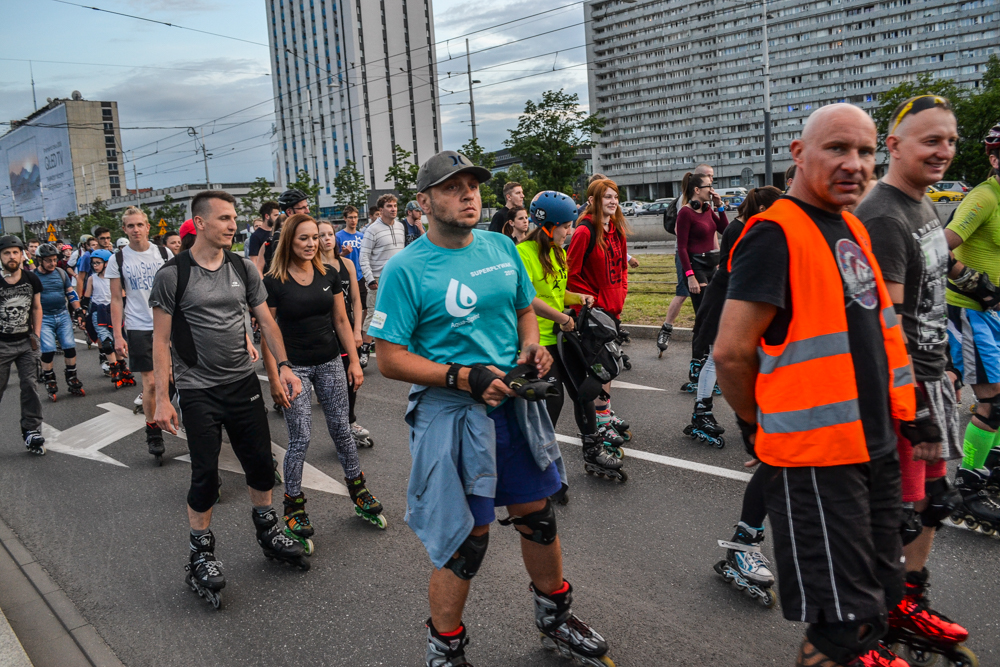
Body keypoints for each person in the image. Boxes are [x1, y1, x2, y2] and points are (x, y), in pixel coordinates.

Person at [370, 151, 610, 667]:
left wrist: (532, 346)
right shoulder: (406, 268)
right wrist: (461, 376)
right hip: (453, 416)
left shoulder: (502, 247)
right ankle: (445, 649)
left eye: (473, 186)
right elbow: (389, 358)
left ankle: (555, 616)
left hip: (514, 408)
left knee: (539, 517)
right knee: (465, 541)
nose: (468, 194)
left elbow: (524, 311)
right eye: (453, 187)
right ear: (424, 201)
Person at [714, 103, 922, 667]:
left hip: (872, 447)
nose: (854, 163)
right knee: (841, 629)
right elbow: (730, 354)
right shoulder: (775, 234)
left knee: (877, 605)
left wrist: (909, 413)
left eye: (865, 150)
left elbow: (879, 333)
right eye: (837, 148)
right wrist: (759, 427)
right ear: (799, 154)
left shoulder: (851, 226)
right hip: (815, 462)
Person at [150, 190, 308, 609]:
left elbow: (267, 322)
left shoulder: (241, 266)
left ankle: (268, 528)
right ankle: (200, 553)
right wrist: (162, 398)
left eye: (233, 217)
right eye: (223, 218)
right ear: (199, 223)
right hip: (198, 389)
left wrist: (286, 366)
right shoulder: (172, 275)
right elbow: (161, 341)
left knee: (259, 464)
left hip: (242, 384)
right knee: (205, 475)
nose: (231, 225)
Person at [855, 94, 972, 655]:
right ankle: (872, 626)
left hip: (931, 376)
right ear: (894, 145)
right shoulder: (882, 213)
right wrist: (917, 411)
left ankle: (907, 605)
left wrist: (976, 287)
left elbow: (937, 271)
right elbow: (886, 326)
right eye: (931, 140)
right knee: (897, 518)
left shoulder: (921, 204)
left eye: (949, 140)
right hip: (903, 387)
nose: (943, 150)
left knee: (935, 502)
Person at [262, 214, 383, 551]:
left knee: (342, 430)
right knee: (300, 437)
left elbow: (341, 319)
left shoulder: (328, 273)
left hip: (330, 362)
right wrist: (274, 377)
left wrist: (354, 361)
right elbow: (268, 334)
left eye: (315, 237)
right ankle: (293, 505)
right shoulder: (273, 281)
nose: (311, 243)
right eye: (303, 238)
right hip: (294, 369)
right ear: (289, 240)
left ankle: (357, 489)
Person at [518, 192, 621, 490]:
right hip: (539, 338)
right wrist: (562, 317)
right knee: (553, 399)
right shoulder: (522, 254)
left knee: (585, 391)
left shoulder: (558, 252)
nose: (570, 231)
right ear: (548, 226)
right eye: (565, 226)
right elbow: (527, 298)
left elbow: (557, 292)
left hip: (564, 337)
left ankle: (592, 450)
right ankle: (539, 464)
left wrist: (579, 298)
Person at [943, 122, 1000, 532]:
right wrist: (968, 278)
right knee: (993, 404)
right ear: (994, 158)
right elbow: (933, 246)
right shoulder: (983, 198)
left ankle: (989, 465)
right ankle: (967, 486)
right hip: (971, 313)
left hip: (995, 313)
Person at [567, 178, 632, 444]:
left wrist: (621, 291)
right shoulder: (584, 232)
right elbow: (570, 274)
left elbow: (623, 268)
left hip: (613, 310)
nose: (613, 201)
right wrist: (590, 300)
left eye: (615, 196)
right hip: (594, 313)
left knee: (610, 364)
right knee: (600, 367)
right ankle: (600, 419)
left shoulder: (617, 230)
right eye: (607, 197)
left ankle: (603, 413)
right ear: (593, 201)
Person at [107, 207, 170, 461]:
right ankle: (153, 430)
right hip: (138, 326)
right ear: (124, 229)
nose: (135, 230)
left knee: (179, 379)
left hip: (168, 324)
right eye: (130, 226)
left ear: (148, 227)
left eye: (139, 225)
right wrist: (118, 335)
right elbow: (115, 299)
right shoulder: (118, 259)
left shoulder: (164, 253)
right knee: (152, 382)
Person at [676, 172, 728, 393]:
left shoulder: (707, 210)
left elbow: (725, 229)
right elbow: (682, 248)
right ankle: (698, 371)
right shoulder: (686, 213)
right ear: (696, 190)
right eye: (708, 186)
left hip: (711, 267)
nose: (711, 188)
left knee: (710, 319)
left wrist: (720, 207)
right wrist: (690, 276)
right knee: (704, 320)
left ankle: (705, 370)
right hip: (696, 269)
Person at [320, 220, 371, 446]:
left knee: (351, 380)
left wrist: (357, 330)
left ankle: (349, 422)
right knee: (333, 385)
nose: (326, 239)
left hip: (347, 329)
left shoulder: (347, 264)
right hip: (323, 332)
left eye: (330, 234)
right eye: (321, 235)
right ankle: (340, 426)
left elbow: (358, 301)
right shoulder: (313, 267)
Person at [657, 162, 715, 355]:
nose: (711, 181)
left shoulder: (708, 200)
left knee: (707, 307)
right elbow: (681, 231)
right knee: (683, 293)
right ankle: (666, 329)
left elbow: (713, 227)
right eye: (708, 177)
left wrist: (716, 252)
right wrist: (690, 271)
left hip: (707, 258)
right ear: (697, 182)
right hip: (688, 257)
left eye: (712, 177)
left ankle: (703, 351)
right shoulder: (688, 200)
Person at [0, 235, 45, 454]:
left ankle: (32, 431)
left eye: (15, 252)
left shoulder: (31, 279)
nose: (11, 256)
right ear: (0, 256)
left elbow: (36, 308)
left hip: (26, 342)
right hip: (1, 345)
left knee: (30, 386)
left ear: (22, 254)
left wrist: (36, 335)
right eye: (7, 253)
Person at [35, 243, 85, 401]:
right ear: (39, 260)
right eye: (48, 260)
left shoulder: (61, 273)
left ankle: (71, 377)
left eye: (54, 259)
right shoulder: (32, 277)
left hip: (62, 314)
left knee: (69, 347)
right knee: (48, 350)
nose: (52, 263)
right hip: (44, 317)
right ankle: (49, 380)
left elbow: (71, 294)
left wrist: (78, 311)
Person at [358, 194, 404, 363]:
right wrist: (370, 279)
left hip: (397, 279)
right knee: (374, 315)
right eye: (389, 206)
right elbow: (363, 257)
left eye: (395, 206)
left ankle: (394, 349)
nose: (393, 209)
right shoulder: (372, 230)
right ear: (380, 210)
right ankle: (364, 349)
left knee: (397, 313)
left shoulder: (400, 226)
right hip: (378, 278)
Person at [81, 248, 122, 381]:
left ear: (106, 264)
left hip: (114, 311)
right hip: (98, 312)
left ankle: (123, 368)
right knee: (106, 342)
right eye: (93, 263)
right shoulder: (92, 279)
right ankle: (113, 367)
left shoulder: (115, 278)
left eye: (98, 263)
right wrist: (81, 314)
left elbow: (123, 297)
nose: (95, 266)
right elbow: (86, 298)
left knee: (117, 341)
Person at [255, 191, 309, 276]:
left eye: (307, 206)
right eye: (302, 208)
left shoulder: (312, 232)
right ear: (289, 212)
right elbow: (259, 268)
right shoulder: (279, 237)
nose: (307, 211)